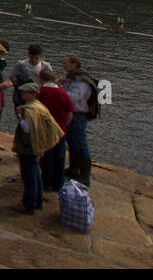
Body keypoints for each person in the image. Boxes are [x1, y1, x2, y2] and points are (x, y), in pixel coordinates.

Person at [11, 83, 64, 214]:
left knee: (29, 176)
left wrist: (20, 116)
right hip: (39, 145)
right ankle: (37, 201)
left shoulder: (29, 110)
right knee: (35, 174)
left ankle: (29, 204)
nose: (22, 95)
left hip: (30, 147)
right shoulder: (39, 106)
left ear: (32, 94)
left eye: (25, 93)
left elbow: (28, 129)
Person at [62, 53, 99, 187]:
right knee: (72, 141)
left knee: (80, 143)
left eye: (66, 63)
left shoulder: (81, 80)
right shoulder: (72, 78)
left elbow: (75, 97)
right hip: (72, 113)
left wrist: (60, 90)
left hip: (78, 115)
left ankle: (84, 176)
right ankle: (73, 169)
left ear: (74, 64)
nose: (63, 65)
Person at [36, 67, 73, 193]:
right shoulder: (63, 94)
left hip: (45, 129)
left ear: (41, 79)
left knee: (47, 157)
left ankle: (46, 182)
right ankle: (58, 183)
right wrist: (64, 126)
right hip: (61, 129)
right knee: (60, 156)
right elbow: (70, 113)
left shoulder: (40, 92)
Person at [10, 43, 46, 108]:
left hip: (38, 95)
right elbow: (12, 77)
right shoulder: (21, 64)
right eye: (32, 57)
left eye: (36, 58)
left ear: (40, 55)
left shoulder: (45, 66)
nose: (34, 60)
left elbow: (51, 81)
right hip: (23, 96)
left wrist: (41, 76)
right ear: (28, 54)